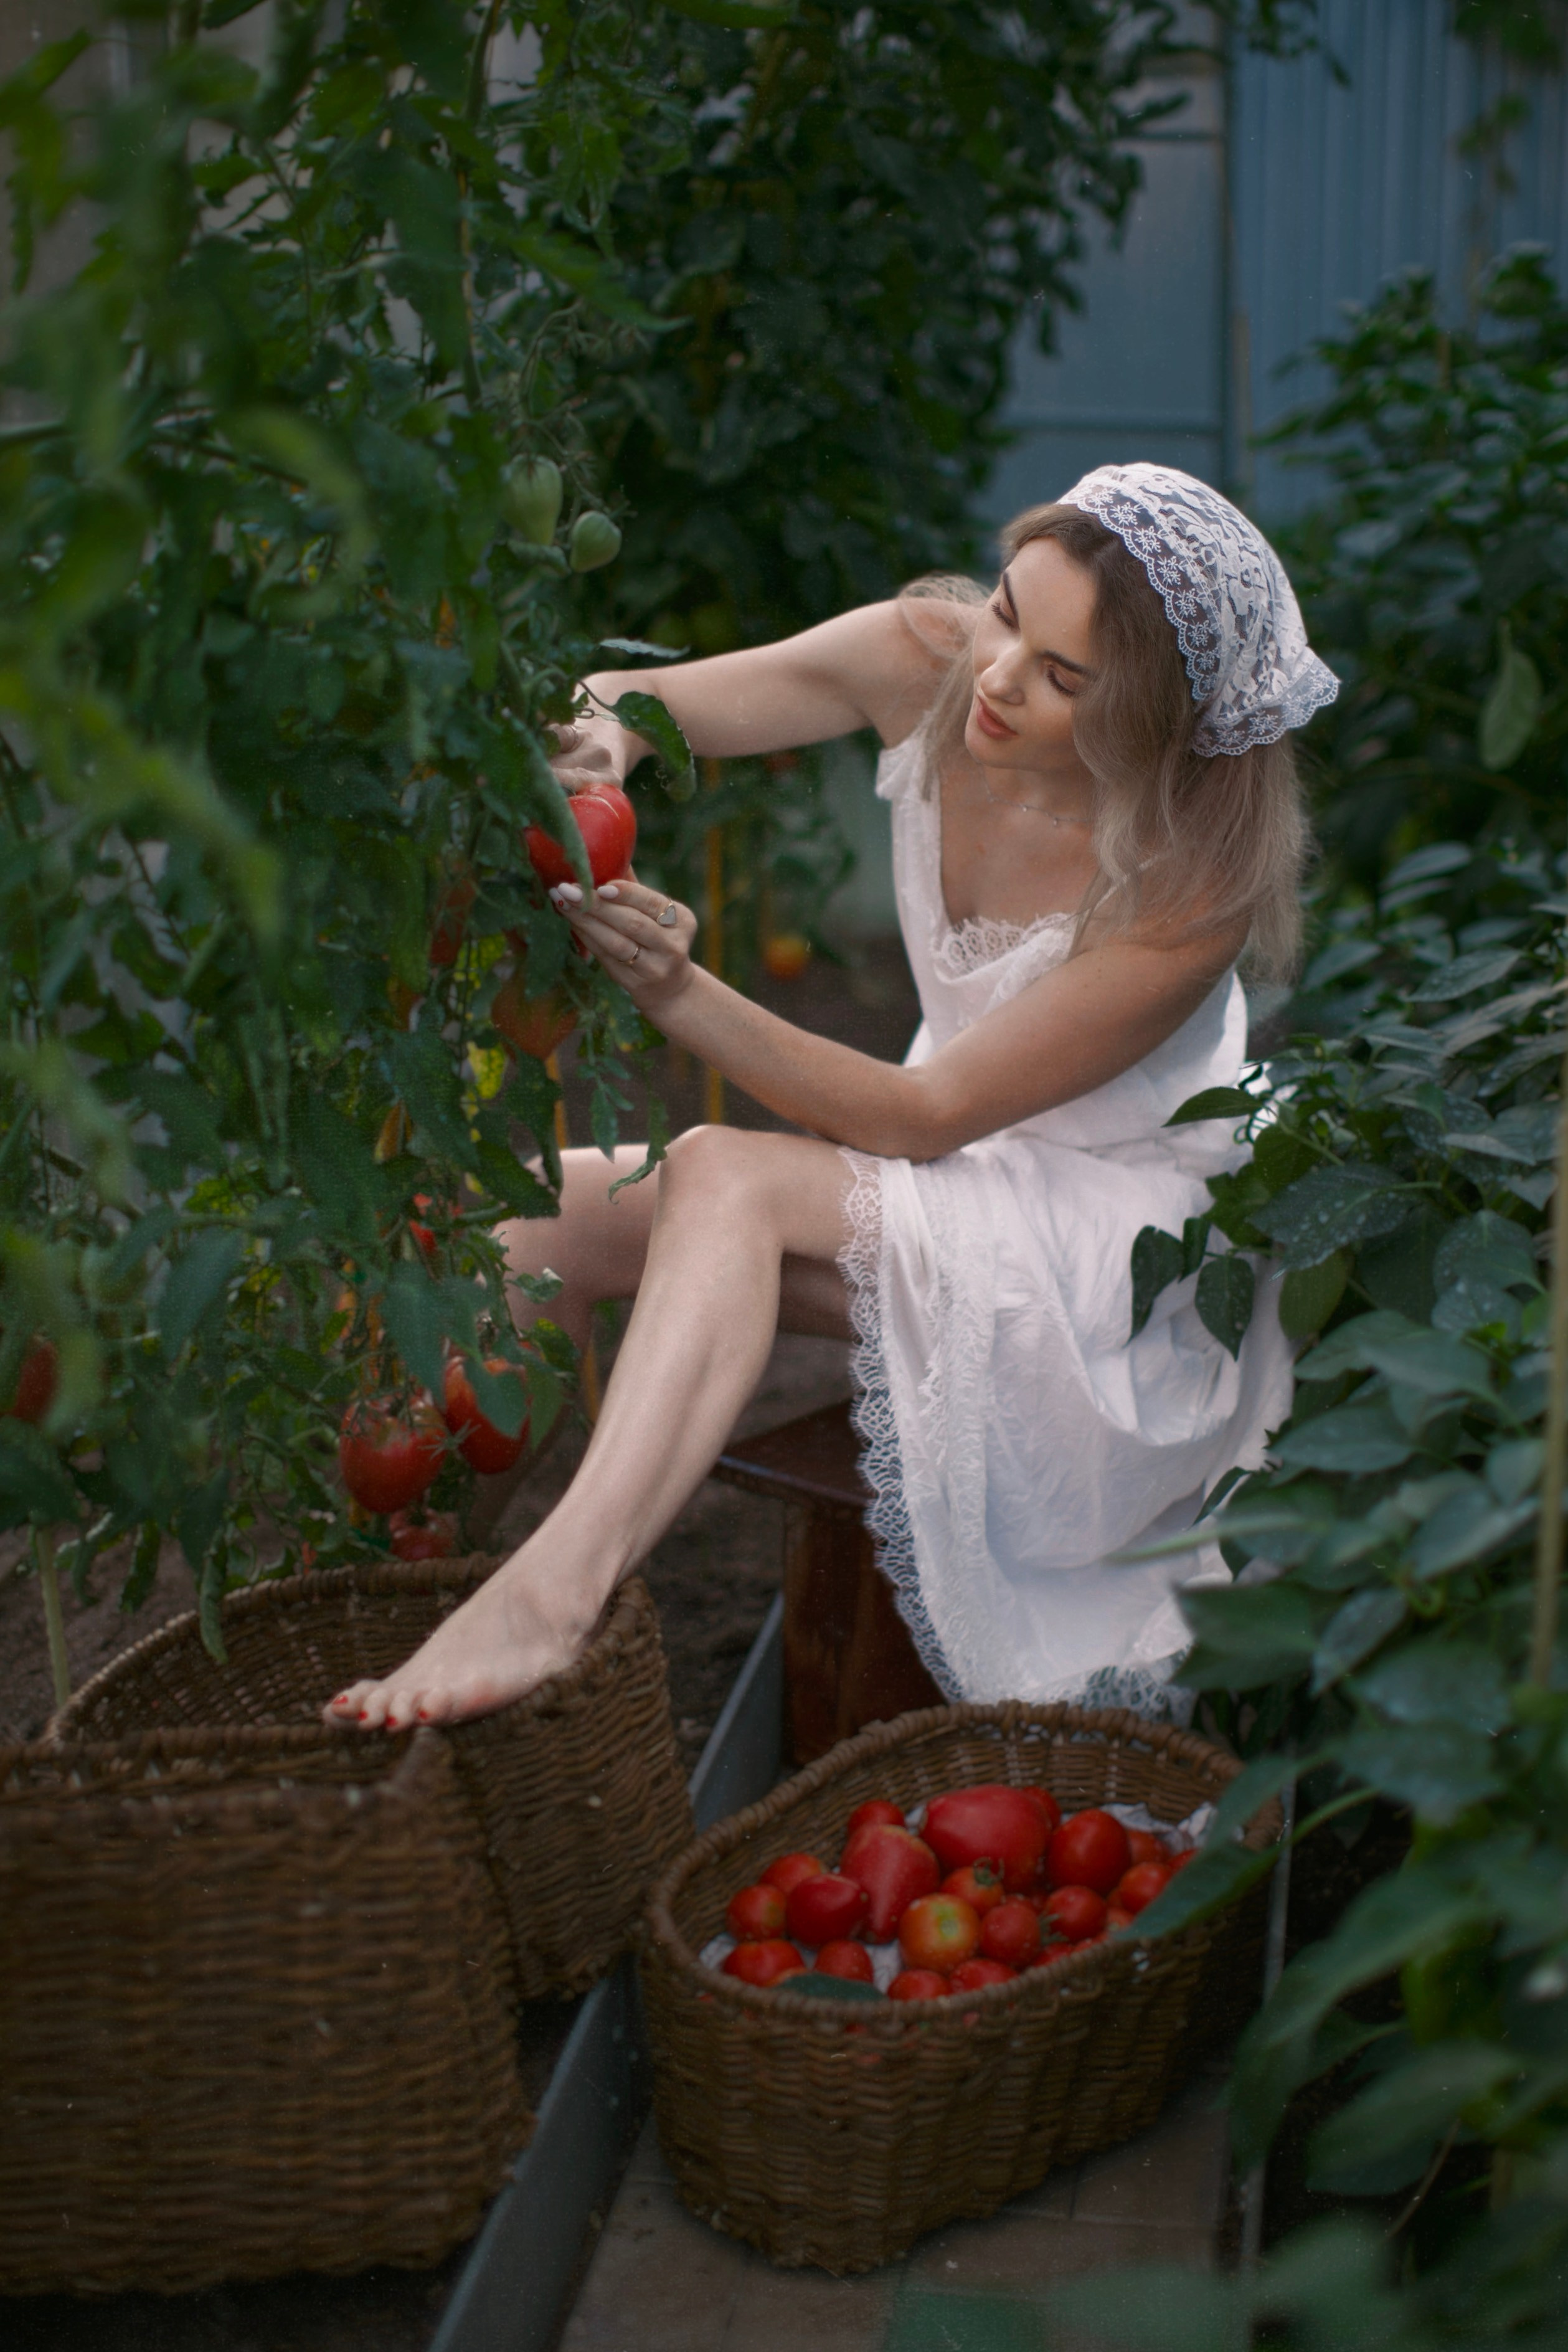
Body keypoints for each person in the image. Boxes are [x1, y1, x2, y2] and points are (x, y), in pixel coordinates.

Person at [326, 463, 1336, 1735]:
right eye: (1011, 608)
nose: (1000, 669)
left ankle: (553, 1598)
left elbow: (926, 1117)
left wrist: (679, 991)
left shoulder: (1187, 885)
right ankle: (419, 1602)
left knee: (723, 1173)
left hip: (1108, 1265)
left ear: (1154, 724)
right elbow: (635, 700)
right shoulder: (929, 656)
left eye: (1063, 676)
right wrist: (605, 739)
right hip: (960, 1184)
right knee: (528, 1232)